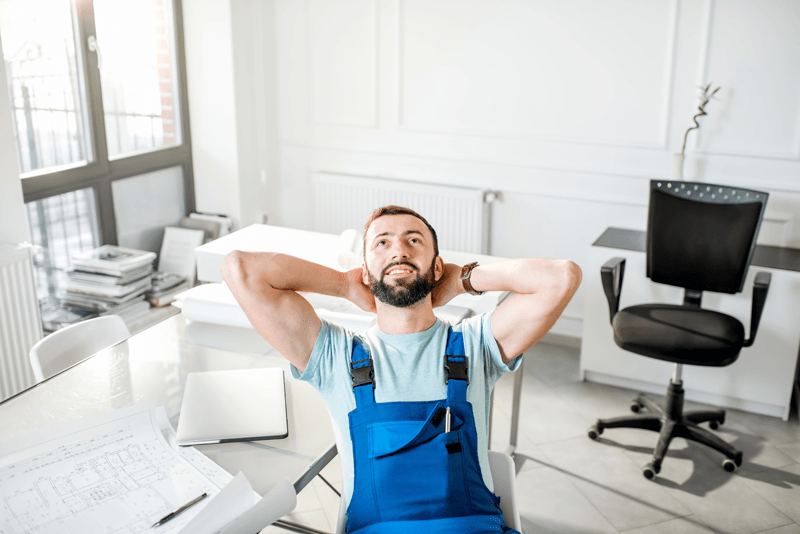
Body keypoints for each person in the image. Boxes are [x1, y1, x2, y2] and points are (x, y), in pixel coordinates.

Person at [222, 206, 581, 534]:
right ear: (366, 269)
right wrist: (344, 284)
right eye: (382, 242)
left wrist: (462, 280)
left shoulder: (476, 344)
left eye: (413, 240)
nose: (399, 251)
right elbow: (241, 268)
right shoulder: (335, 356)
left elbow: (560, 277)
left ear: (437, 266)